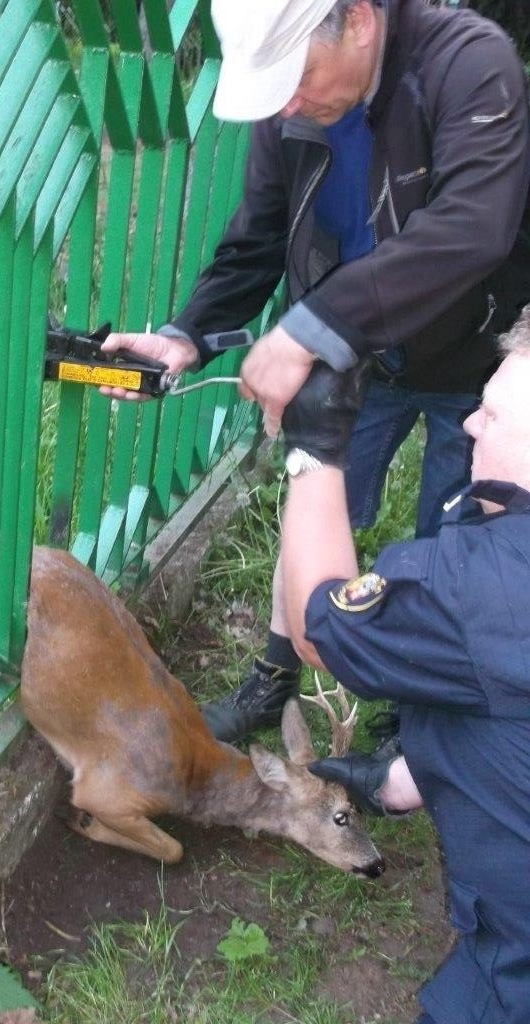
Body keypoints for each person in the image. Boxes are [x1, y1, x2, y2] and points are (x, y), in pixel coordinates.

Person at [99, 0, 530, 744]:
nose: (287, 105)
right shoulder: (290, 97)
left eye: (294, 79)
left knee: (459, 534)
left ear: (358, 19)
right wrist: (187, 334)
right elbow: (257, 238)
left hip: (475, 358)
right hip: (357, 354)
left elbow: (473, 225)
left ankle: (425, 718)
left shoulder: (467, 62)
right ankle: (274, 679)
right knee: (314, 501)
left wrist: (310, 327)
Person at [276, 307, 530, 1024]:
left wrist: (316, 449)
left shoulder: (481, 588)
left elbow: (317, 626)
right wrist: (412, 773)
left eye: (492, 412)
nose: (472, 426)